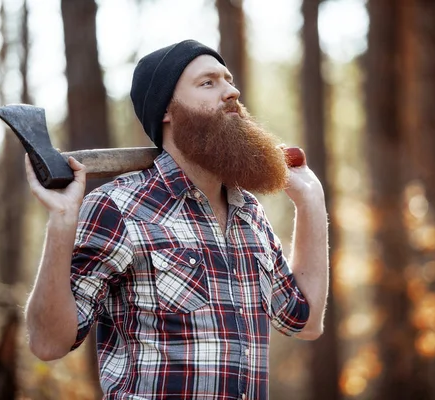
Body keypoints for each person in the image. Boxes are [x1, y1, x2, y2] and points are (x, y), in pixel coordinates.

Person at [24, 39, 328, 399]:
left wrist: (310, 200)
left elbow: (303, 322)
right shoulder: (119, 207)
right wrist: (61, 221)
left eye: (229, 80)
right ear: (167, 109)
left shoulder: (248, 213)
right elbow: (48, 344)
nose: (232, 91)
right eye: (208, 83)